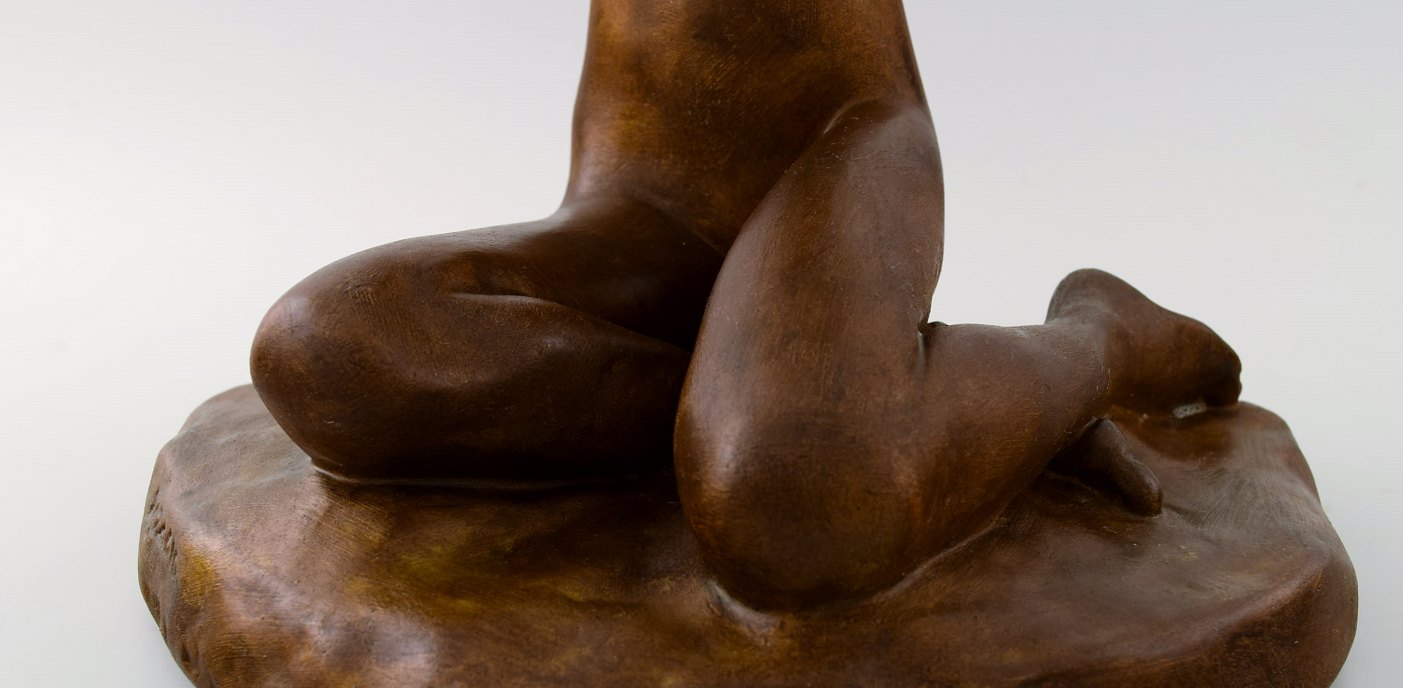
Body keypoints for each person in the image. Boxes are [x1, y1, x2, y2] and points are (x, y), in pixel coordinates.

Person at [251, 0, 1241, 610]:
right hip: (638, 200)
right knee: (329, 351)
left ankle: (1095, 341)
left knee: (800, 504)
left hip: (841, 154)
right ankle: (874, 407)